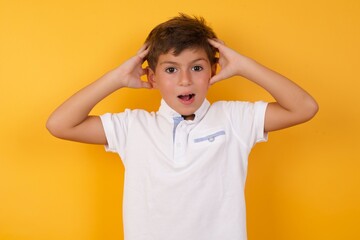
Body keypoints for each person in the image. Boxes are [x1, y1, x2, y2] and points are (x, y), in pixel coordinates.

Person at [47, 13, 318, 240]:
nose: (185, 80)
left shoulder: (235, 119)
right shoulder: (133, 127)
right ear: (152, 77)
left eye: (197, 68)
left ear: (213, 71)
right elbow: (60, 124)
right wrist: (115, 78)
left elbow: (304, 107)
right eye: (171, 70)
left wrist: (244, 66)